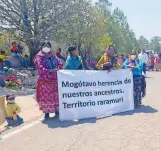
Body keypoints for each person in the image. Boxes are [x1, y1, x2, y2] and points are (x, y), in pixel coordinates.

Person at [34, 42, 62, 120]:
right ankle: (46, 113)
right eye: (44, 46)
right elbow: (39, 67)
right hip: (44, 81)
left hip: (55, 80)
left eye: (48, 46)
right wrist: (49, 71)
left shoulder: (53, 55)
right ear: (41, 47)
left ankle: (57, 110)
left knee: (55, 96)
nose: (46, 47)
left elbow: (60, 63)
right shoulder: (39, 56)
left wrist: (57, 69)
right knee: (46, 97)